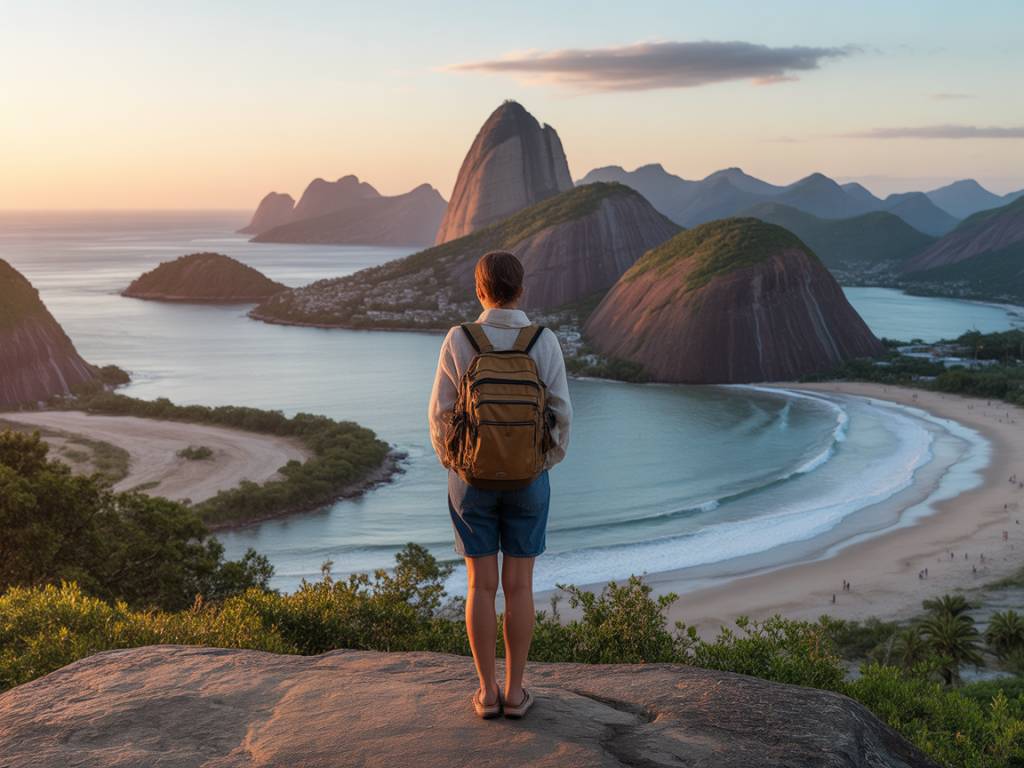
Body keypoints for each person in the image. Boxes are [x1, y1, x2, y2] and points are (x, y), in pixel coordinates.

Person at [428, 251, 572, 720]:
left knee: (480, 585)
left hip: (470, 480)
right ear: (521, 290)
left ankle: (486, 694)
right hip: (529, 479)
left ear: (479, 289)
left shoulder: (459, 338)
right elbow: (562, 414)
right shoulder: (544, 340)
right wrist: (540, 462)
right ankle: (515, 693)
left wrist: (457, 464)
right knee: (521, 587)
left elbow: (440, 414)